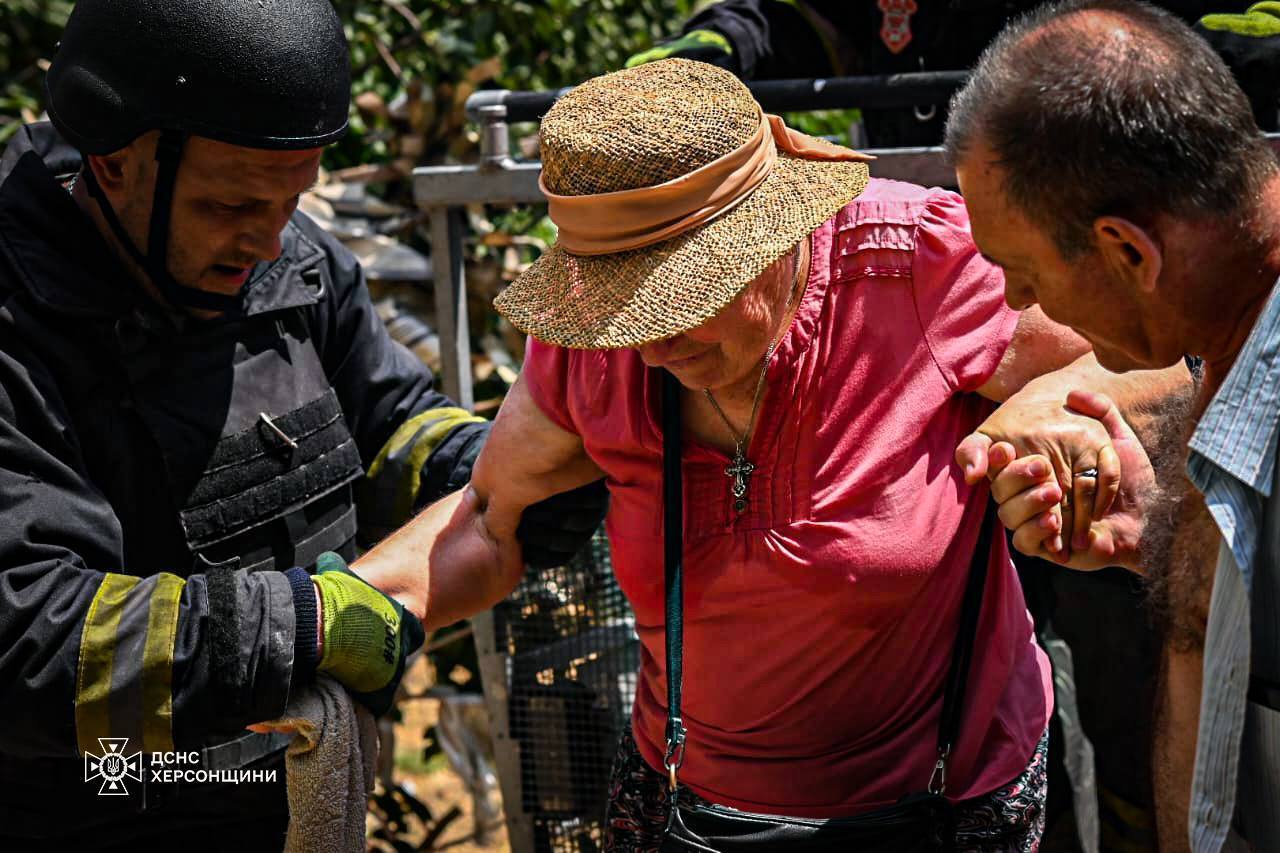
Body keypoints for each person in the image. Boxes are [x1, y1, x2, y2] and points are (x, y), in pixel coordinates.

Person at [350, 58, 1190, 850]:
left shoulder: (916, 271)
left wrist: (1049, 408)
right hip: (685, 811)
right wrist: (331, 621)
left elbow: (1152, 357)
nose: (651, 343)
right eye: (621, 309)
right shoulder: (591, 348)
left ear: (774, 235)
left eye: (685, 298)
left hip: (943, 806)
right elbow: (489, 521)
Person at [0, 0, 603, 849]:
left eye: (293, 197)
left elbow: (390, 420)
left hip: (299, 803)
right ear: (112, 165)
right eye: (229, 206)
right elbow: (31, 639)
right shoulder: (20, 329)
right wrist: (309, 626)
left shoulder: (288, 251)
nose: (268, 239)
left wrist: (488, 471)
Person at [943, 1, 1280, 850]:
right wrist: (1159, 533)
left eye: (1023, 272)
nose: (1017, 302)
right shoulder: (1224, 348)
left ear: (1129, 252)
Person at [625, 1, 1277, 146]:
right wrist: (708, 52)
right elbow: (798, 24)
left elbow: (1235, 30)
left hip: (1069, 267)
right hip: (912, 256)